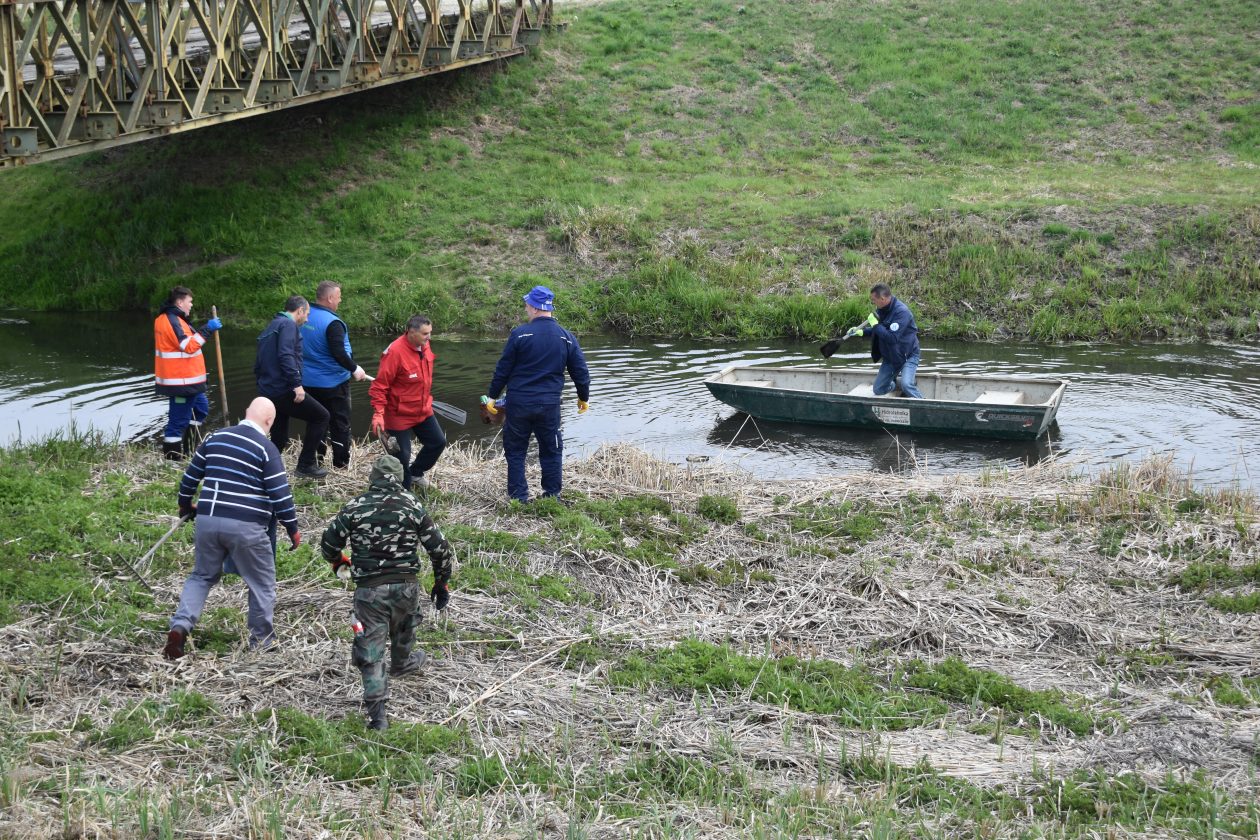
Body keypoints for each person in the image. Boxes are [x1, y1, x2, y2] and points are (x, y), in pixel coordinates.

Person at [321, 454, 454, 731]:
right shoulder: (412, 504)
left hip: (369, 590)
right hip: (406, 586)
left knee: (371, 651)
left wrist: (339, 562)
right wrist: (442, 582)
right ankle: (403, 663)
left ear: (373, 478)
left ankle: (378, 717)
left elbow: (328, 543)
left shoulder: (354, 506)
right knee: (405, 625)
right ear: (400, 477)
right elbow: (440, 549)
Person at [163, 397, 301, 660]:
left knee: (202, 576)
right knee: (262, 583)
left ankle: (180, 626)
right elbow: (280, 494)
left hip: (208, 520)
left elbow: (190, 476)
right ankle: (261, 644)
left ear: (246, 413)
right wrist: (291, 527)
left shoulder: (215, 438)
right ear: (269, 421)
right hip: (246, 526)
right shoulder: (266, 448)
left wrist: (185, 505)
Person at [484, 285, 591, 503]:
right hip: (549, 406)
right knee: (551, 450)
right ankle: (552, 496)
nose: (525, 308)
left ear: (534, 307)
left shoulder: (520, 334)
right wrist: (583, 397)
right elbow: (581, 372)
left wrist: (492, 396)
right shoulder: (566, 337)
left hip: (519, 403)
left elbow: (503, 369)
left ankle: (518, 497)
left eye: (527, 304)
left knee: (515, 451)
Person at [255, 295, 330, 478]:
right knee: (321, 416)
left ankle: (259, 469)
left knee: (279, 437)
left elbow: (259, 362)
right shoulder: (288, 325)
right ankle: (306, 465)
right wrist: (297, 385)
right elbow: (286, 356)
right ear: (300, 311)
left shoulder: (273, 325)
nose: (307, 318)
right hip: (283, 388)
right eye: (307, 314)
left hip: (269, 389)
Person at [369, 315, 445, 491]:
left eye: (430, 333)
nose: (429, 337)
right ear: (411, 332)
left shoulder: (424, 346)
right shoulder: (394, 353)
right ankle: (404, 493)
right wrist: (378, 414)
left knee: (437, 442)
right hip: (398, 414)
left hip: (423, 409)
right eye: (425, 333)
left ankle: (416, 472)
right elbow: (379, 387)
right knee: (401, 457)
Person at [301, 281, 368, 471]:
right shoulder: (333, 323)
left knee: (316, 421)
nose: (340, 300)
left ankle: (315, 462)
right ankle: (340, 465)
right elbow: (338, 353)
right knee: (340, 424)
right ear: (330, 298)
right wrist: (355, 369)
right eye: (339, 296)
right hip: (333, 384)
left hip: (308, 382)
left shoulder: (305, 315)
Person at [153, 286, 222, 459]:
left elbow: (186, 341)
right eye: (189, 301)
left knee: (201, 410)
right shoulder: (170, 320)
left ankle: (189, 452)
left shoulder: (176, 319)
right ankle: (173, 461)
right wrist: (207, 329)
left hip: (189, 381)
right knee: (177, 422)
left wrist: (205, 329)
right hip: (180, 382)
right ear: (179, 302)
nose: (191, 305)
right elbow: (188, 346)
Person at [861, 283, 924, 399]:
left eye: (874, 300)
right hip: (891, 357)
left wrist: (875, 325)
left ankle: (925, 405)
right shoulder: (881, 310)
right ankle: (894, 384)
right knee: (878, 389)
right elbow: (880, 330)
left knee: (907, 385)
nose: (873, 302)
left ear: (882, 298)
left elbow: (892, 338)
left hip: (908, 355)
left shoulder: (902, 312)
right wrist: (862, 332)